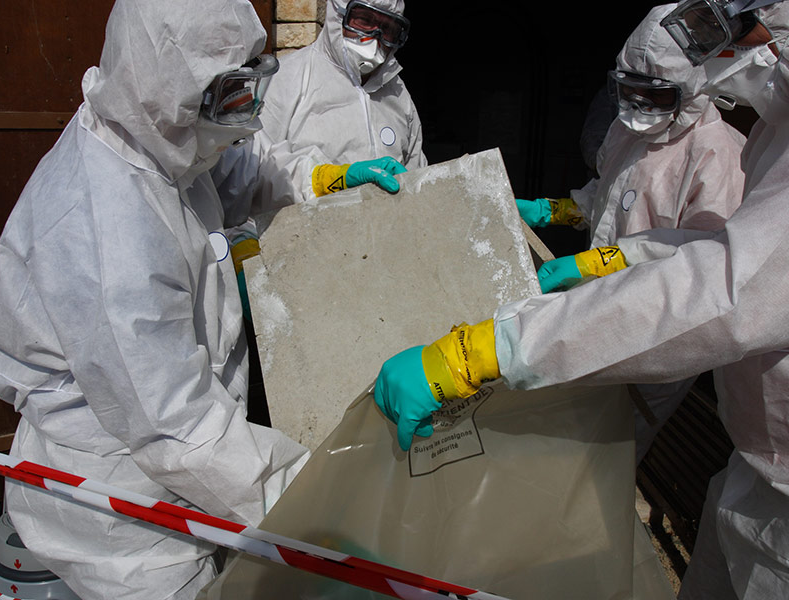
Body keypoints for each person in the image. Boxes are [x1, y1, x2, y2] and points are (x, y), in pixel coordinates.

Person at [373, 1, 789, 598]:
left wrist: (496, 346)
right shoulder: (747, 130)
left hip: (658, 355)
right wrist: (558, 214)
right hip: (753, 464)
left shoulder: (718, 149)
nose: (729, 47)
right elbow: (623, 203)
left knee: (603, 456)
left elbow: (719, 288)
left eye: (736, 26)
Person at [0, 1, 322, 598]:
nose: (245, 114)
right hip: (123, 515)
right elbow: (180, 429)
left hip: (169, 464)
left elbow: (231, 174)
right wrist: (326, 501)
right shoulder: (108, 230)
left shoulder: (151, 134)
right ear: (168, 89)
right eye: (227, 94)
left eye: (250, 82)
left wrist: (319, 180)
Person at [519, 4, 748, 463]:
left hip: (654, 328)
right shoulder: (627, 132)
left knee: (610, 450)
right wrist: (554, 210)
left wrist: (598, 263)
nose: (639, 106)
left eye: (657, 96)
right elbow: (607, 198)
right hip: (594, 305)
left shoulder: (717, 154)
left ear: (692, 89)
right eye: (629, 90)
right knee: (565, 429)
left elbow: (702, 264)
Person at [250, 0, 426, 213]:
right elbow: (254, 174)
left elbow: (418, 177)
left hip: (384, 238)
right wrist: (331, 179)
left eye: (387, 28)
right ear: (338, 15)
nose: (375, 36)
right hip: (305, 238)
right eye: (364, 20)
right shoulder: (287, 80)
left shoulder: (398, 94)